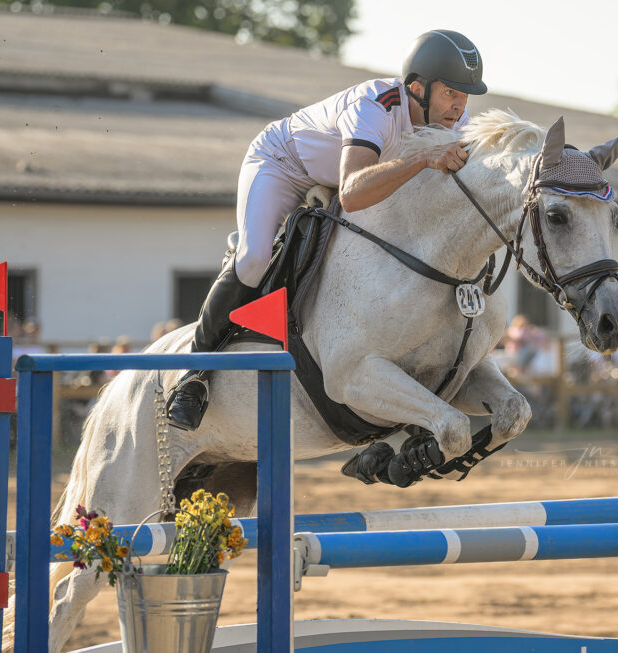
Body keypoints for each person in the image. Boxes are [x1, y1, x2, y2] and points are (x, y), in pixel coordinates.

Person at [166, 29, 488, 430]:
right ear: (417, 88)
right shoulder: (375, 105)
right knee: (254, 259)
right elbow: (352, 193)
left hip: (339, 181)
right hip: (283, 164)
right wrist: (423, 157)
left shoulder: (454, 120)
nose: (459, 106)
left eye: (465, 95)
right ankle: (193, 376)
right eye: (450, 94)